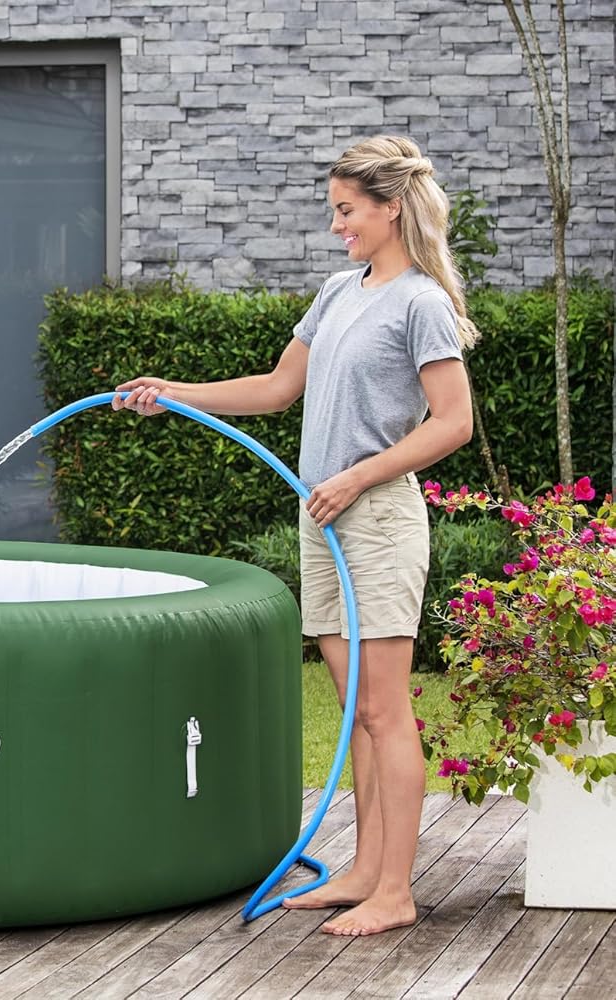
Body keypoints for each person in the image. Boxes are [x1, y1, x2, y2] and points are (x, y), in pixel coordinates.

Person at [114, 135, 476, 937]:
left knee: (385, 711)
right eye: (334, 211)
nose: (337, 225)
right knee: (354, 711)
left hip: (376, 520)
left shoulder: (419, 302)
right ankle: (364, 871)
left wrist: (359, 476)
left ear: (390, 208)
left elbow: (454, 422)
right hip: (324, 519)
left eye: (347, 211)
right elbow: (279, 388)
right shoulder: (339, 291)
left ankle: (396, 890)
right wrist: (174, 392)